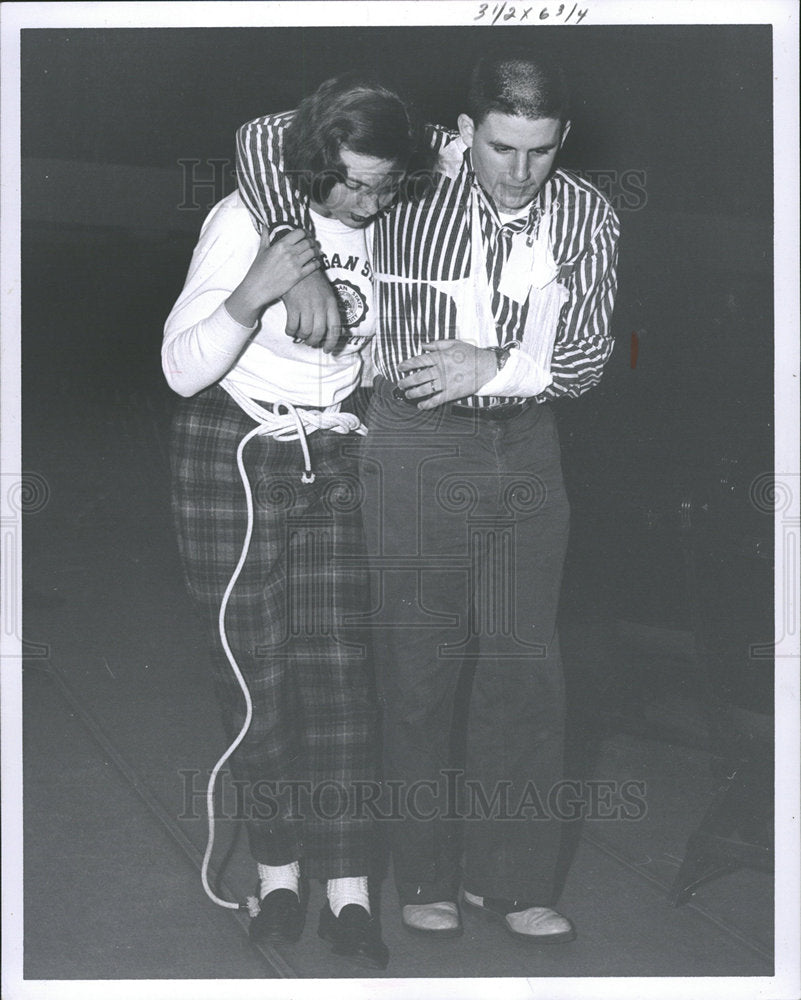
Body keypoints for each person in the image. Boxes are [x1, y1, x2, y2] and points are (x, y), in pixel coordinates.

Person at [236, 49, 619, 943]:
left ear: (561, 141)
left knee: (525, 667)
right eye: (499, 148)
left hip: (527, 448)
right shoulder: (411, 189)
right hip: (414, 444)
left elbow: (591, 354)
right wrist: (295, 264)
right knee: (417, 669)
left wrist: (502, 365)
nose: (519, 172)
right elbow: (263, 139)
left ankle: (514, 881)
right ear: (462, 133)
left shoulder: (589, 216)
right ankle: (424, 876)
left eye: (540, 151)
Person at [163, 75, 430, 971]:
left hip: (337, 452)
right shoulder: (248, 219)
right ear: (316, 163)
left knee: (340, 675)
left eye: (384, 184)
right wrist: (258, 292)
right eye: (351, 181)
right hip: (234, 447)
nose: (367, 200)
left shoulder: (394, 217)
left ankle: (351, 893)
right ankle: (278, 875)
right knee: (255, 675)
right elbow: (180, 370)